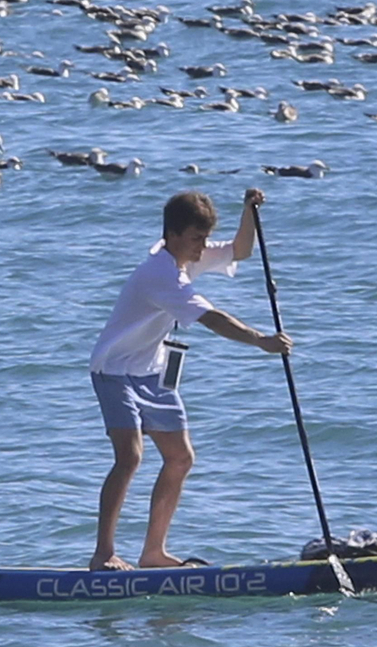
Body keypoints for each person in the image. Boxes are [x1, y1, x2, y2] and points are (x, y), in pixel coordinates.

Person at [87, 188, 292, 570]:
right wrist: (261, 341)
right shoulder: (160, 275)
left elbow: (240, 251)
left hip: (152, 372)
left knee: (180, 458)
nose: (202, 247)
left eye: (204, 238)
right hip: (114, 371)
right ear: (175, 234)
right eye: (197, 238)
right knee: (129, 457)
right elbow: (212, 318)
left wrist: (248, 211)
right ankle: (103, 554)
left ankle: (152, 554)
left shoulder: (184, 258)